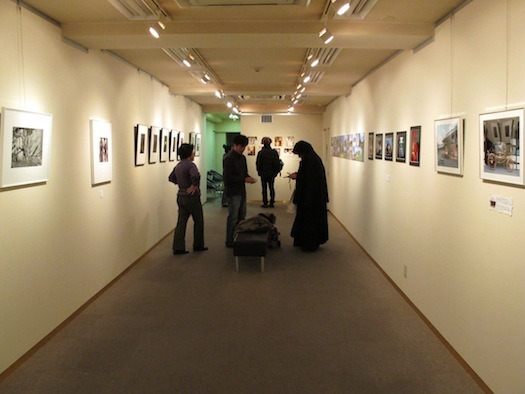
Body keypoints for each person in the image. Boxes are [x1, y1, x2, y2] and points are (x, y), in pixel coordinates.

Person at [288, 140, 329, 252]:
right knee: (308, 220)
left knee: (310, 221)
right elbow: (307, 176)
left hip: (310, 198)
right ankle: (305, 241)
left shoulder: (310, 161)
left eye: (299, 154)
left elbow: (309, 180)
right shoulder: (312, 159)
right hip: (313, 197)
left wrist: (297, 176)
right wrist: (298, 175)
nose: (299, 156)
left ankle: (309, 244)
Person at [169, 143, 207, 254]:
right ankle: (198, 245)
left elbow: (171, 178)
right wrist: (193, 185)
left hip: (181, 196)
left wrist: (181, 184)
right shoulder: (191, 165)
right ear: (189, 153)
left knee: (181, 222)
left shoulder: (178, 165)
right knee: (198, 221)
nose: (194, 153)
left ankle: (178, 247)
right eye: (193, 151)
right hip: (192, 197)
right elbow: (195, 176)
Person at [223, 134, 257, 247]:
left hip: (241, 191)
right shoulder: (229, 159)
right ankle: (230, 240)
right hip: (233, 193)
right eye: (241, 146)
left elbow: (244, 173)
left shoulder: (242, 158)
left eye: (244, 147)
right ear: (235, 145)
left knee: (242, 217)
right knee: (233, 217)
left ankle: (239, 238)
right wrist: (244, 179)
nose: (243, 149)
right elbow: (227, 177)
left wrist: (249, 178)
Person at [256, 137, 281, 208]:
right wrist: (276, 172)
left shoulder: (261, 153)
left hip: (263, 173)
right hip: (272, 173)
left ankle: (265, 203)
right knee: (271, 187)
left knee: (264, 189)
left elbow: (258, 163)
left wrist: (259, 171)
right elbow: (276, 163)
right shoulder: (274, 152)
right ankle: (272, 202)